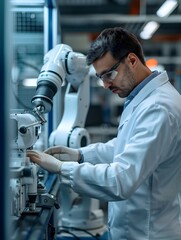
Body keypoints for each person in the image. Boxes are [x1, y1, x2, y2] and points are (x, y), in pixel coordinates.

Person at [27, 27, 181, 240]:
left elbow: (120, 181)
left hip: (148, 233)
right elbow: (125, 146)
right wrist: (81, 155)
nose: (106, 84)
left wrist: (62, 168)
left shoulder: (159, 108)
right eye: (101, 77)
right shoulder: (143, 98)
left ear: (132, 60)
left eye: (109, 74)